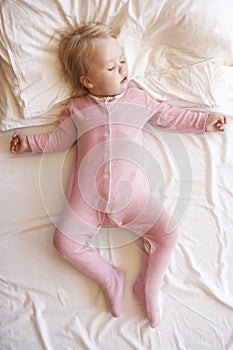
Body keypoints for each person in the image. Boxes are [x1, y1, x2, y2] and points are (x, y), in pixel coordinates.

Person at [10, 23, 227, 328]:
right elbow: (57, 140)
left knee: (169, 233)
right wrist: (29, 143)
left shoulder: (138, 99)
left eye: (123, 60)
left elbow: (171, 117)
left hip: (133, 197)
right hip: (86, 200)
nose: (123, 69)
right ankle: (109, 275)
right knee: (64, 243)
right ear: (87, 81)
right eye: (112, 66)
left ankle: (148, 285)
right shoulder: (77, 109)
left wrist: (204, 122)